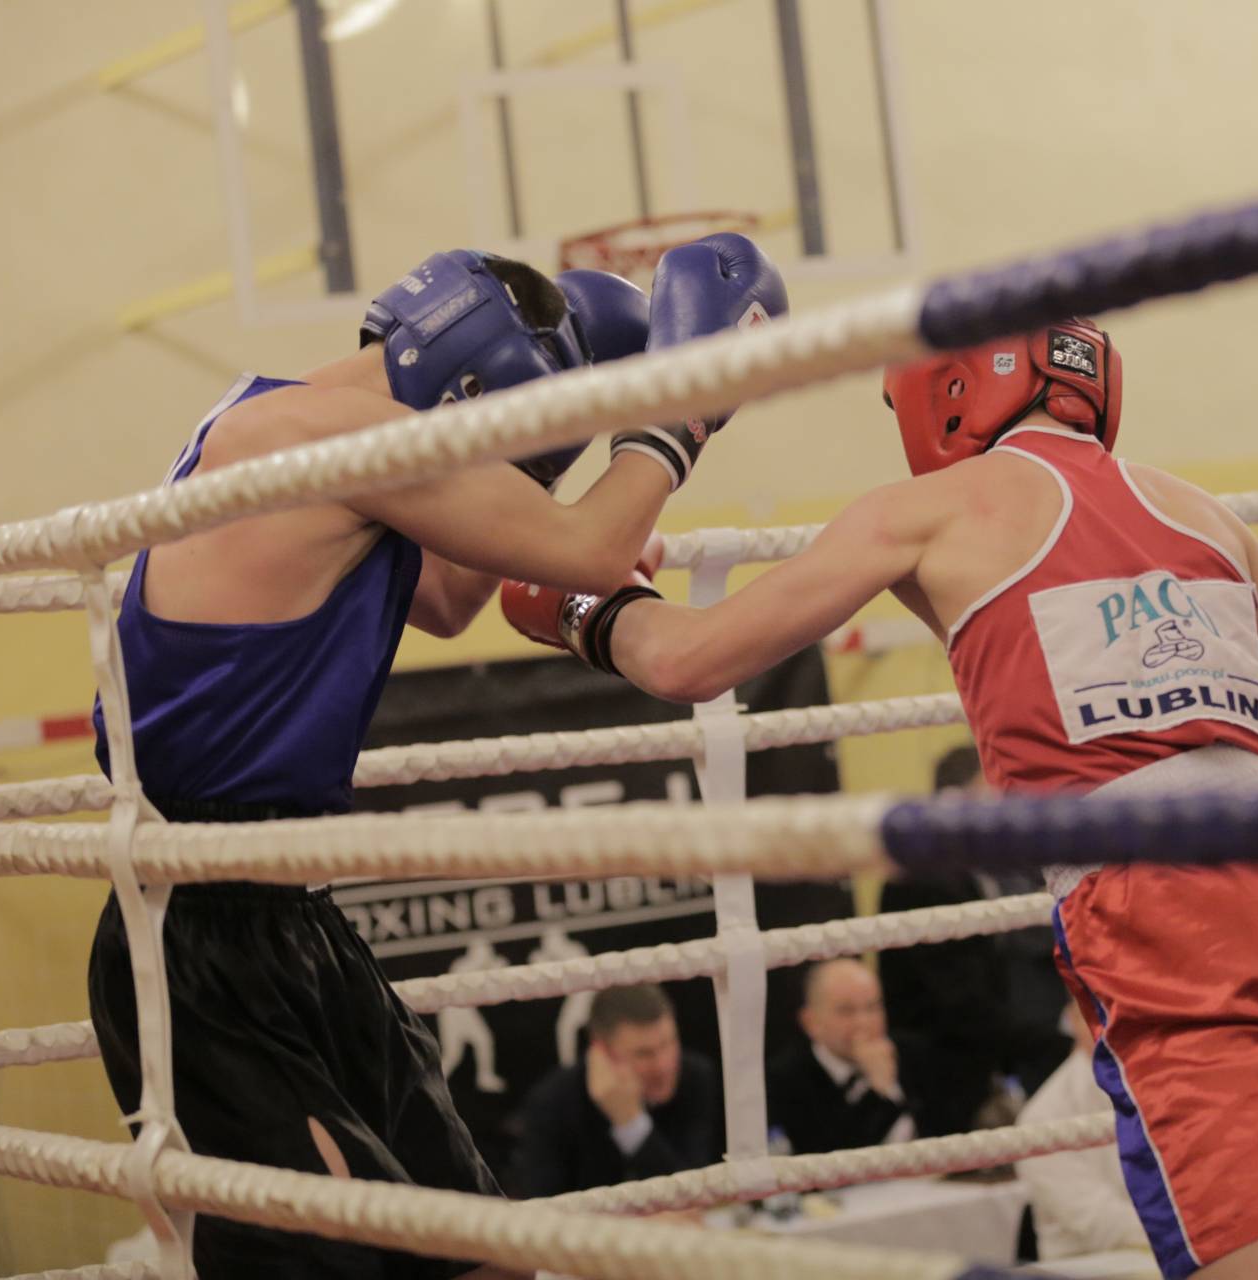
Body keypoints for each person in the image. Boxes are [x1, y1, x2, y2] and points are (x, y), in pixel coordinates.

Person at [506, 322, 1258, 1279]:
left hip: (1163, 919)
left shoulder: (931, 512)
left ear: (950, 388)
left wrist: (581, 607)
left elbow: (688, 660)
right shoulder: (1208, 517)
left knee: (1245, 1227)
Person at [87, 236, 786, 1278]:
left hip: (293, 915)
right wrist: (681, 410)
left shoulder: (297, 418)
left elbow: (453, 599)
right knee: (327, 1265)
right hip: (194, 930)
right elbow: (590, 550)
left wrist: (556, 463)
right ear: (476, 389)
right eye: (512, 428)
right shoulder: (340, 437)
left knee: (481, 1251)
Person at [877, 745, 1070, 1136]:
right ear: (957, 802)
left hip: (970, 1058)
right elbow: (958, 1004)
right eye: (992, 795)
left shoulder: (961, 871)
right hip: (942, 1076)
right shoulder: (926, 878)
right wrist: (1052, 1040)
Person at [501, 983, 723, 1198]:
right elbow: (545, 1209)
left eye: (668, 1043)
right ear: (602, 1052)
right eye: (644, 1053)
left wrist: (632, 1124)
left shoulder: (696, 1076)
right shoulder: (551, 1104)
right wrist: (628, 1121)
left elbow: (693, 1196)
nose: (663, 1065)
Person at [1015, 1003, 1149, 1262]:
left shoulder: (1172, 1085)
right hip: (1090, 1266)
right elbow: (1102, 1223)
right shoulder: (1042, 1116)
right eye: (1101, 1010)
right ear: (1073, 1020)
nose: (1115, 1022)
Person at [766, 959, 938, 1154]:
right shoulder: (784, 1080)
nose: (863, 1022)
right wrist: (879, 1091)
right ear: (810, 1022)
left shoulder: (913, 1053)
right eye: (846, 1011)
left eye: (872, 1007)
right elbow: (828, 1158)